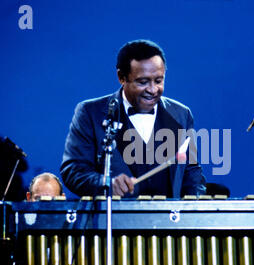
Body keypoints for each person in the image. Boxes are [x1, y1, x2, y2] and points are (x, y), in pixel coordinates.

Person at [60, 39, 206, 198]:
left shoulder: (181, 114)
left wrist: (193, 211)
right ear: (121, 77)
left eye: (159, 80)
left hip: (169, 221)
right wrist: (106, 183)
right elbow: (73, 170)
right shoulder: (90, 113)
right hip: (113, 220)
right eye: (143, 82)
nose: (152, 89)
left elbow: (192, 172)